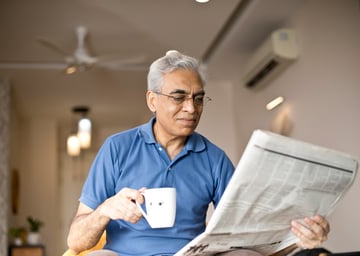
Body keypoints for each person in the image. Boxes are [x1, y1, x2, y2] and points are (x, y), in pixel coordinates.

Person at [67, 50, 330, 256]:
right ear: (152, 100)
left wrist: (299, 238)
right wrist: (105, 210)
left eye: (198, 98)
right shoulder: (117, 148)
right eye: (179, 97)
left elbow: (251, 238)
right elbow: (75, 241)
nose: (192, 109)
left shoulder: (214, 159)